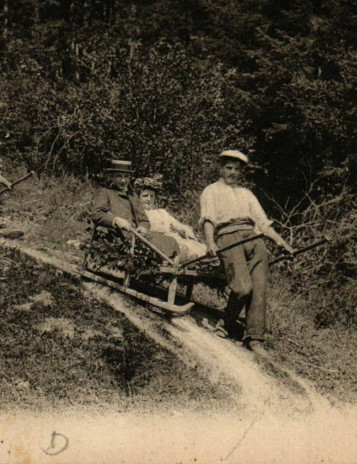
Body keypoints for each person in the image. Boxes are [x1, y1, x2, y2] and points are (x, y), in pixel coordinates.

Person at [199, 150, 295, 357]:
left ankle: (255, 338)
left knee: (259, 289)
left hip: (254, 240)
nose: (232, 173)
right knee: (242, 288)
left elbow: (262, 223)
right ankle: (227, 321)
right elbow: (208, 219)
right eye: (228, 168)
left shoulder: (246, 194)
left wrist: (282, 243)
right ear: (220, 168)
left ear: (241, 172)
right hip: (228, 238)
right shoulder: (211, 191)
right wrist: (210, 243)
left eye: (236, 169)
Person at [91, 160, 179, 258]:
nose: (123, 180)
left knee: (170, 241)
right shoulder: (106, 192)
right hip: (118, 238)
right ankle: (172, 261)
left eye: (126, 176)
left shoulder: (132, 196)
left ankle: (178, 261)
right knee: (158, 243)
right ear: (111, 177)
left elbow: (144, 219)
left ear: (130, 178)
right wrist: (116, 220)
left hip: (136, 237)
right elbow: (96, 213)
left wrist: (143, 227)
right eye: (119, 176)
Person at [134, 176, 207, 262]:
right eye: (145, 196)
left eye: (152, 196)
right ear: (139, 198)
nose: (149, 199)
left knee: (193, 245)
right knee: (182, 246)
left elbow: (177, 224)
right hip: (157, 242)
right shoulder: (140, 214)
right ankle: (187, 260)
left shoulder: (161, 212)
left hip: (173, 239)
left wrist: (185, 230)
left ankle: (195, 260)